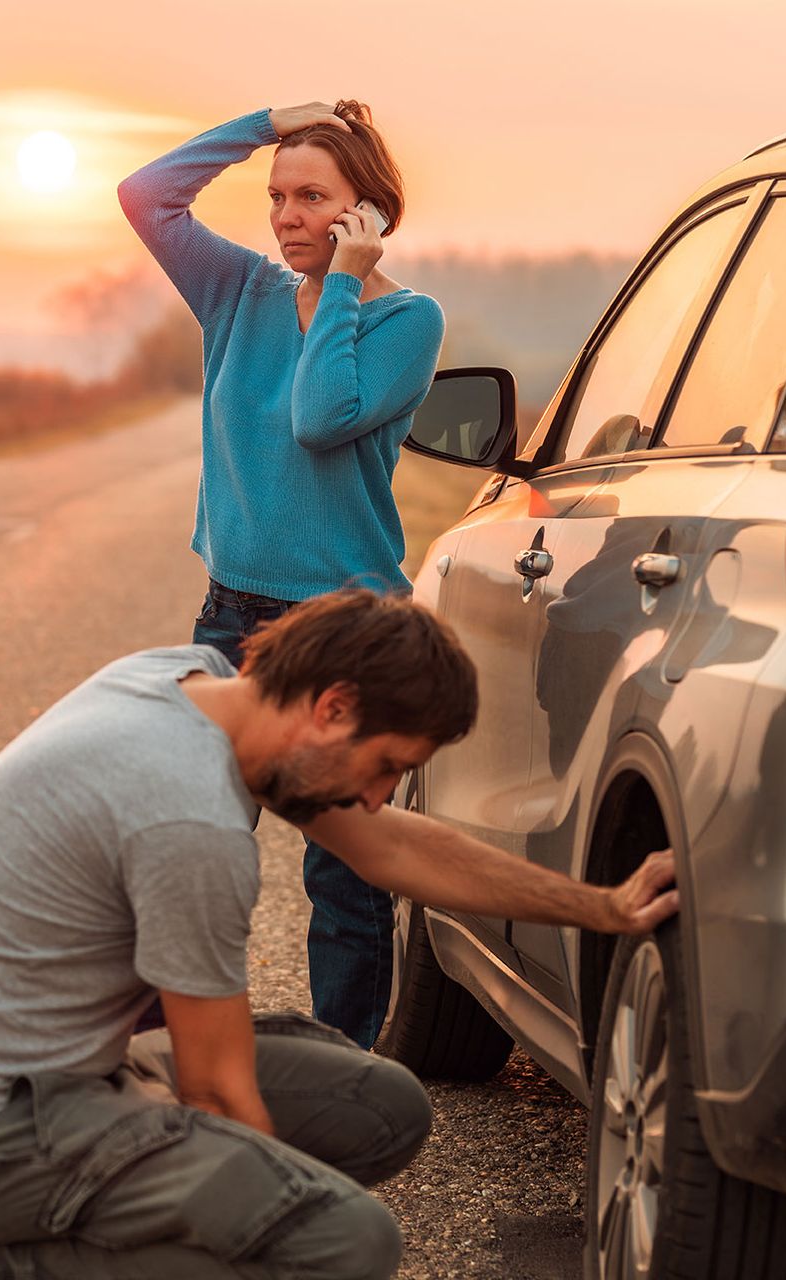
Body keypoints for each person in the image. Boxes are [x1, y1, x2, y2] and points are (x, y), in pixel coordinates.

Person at [0, 590, 679, 1279]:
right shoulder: (185, 814)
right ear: (332, 707)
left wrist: (601, 907)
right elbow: (217, 1094)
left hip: (62, 1073)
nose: (379, 795)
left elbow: (392, 844)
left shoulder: (192, 686)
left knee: (380, 1106)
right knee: (342, 1239)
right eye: (387, 764)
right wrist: (277, 1215)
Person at [118, 101, 448, 1050]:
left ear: (367, 213)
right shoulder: (238, 293)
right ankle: (155, 1052)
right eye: (278, 196)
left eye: (315, 197)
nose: (287, 214)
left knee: (341, 876)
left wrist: (343, 281)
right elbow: (147, 197)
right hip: (234, 617)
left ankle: (345, 1067)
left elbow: (319, 412)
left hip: (345, 625)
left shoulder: (406, 321)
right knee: (183, 841)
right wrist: (265, 124)